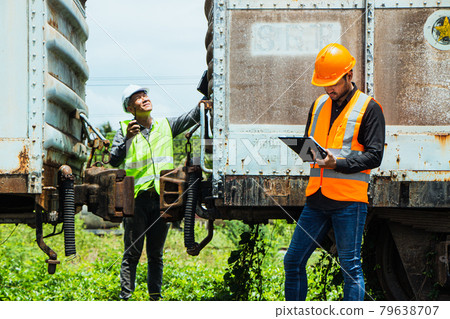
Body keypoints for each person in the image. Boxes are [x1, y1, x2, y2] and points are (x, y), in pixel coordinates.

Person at [283, 43, 385, 301]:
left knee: (350, 267)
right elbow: (313, 144)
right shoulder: (318, 105)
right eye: (324, 83)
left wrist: (336, 164)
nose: (329, 89)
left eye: (334, 83)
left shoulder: (370, 108)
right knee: (292, 260)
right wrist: (306, 151)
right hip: (316, 198)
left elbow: (375, 156)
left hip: (349, 201)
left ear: (349, 75)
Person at [110, 85, 200, 300]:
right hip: (137, 201)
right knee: (132, 253)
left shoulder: (166, 126)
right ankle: (125, 298)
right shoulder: (124, 130)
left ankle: (155, 299)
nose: (144, 99)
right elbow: (113, 159)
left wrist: (211, 90)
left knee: (156, 255)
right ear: (131, 109)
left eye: (145, 95)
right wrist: (129, 140)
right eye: (138, 98)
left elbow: (195, 115)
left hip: (162, 199)